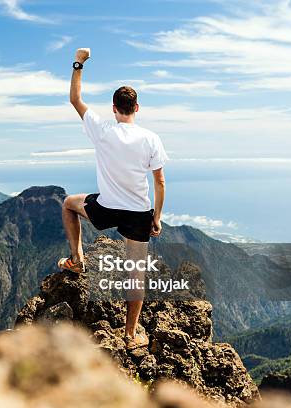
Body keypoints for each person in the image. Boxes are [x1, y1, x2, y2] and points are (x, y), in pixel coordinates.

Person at [58, 48, 168, 348]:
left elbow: (75, 100)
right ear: (137, 108)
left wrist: (79, 62)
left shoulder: (103, 130)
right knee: (136, 276)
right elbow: (159, 181)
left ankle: (77, 258)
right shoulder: (151, 139)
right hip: (137, 214)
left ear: (114, 108)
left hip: (106, 208)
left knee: (69, 203)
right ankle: (130, 333)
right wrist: (156, 218)